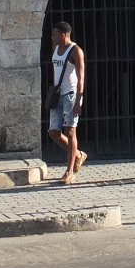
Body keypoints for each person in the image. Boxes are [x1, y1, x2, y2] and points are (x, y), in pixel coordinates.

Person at [46, 20, 87, 182]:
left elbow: (81, 76)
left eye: (55, 34)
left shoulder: (75, 51)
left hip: (70, 94)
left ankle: (69, 171)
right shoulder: (56, 48)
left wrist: (78, 100)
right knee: (53, 132)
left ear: (63, 35)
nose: (52, 37)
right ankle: (78, 154)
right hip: (57, 95)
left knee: (70, 131)